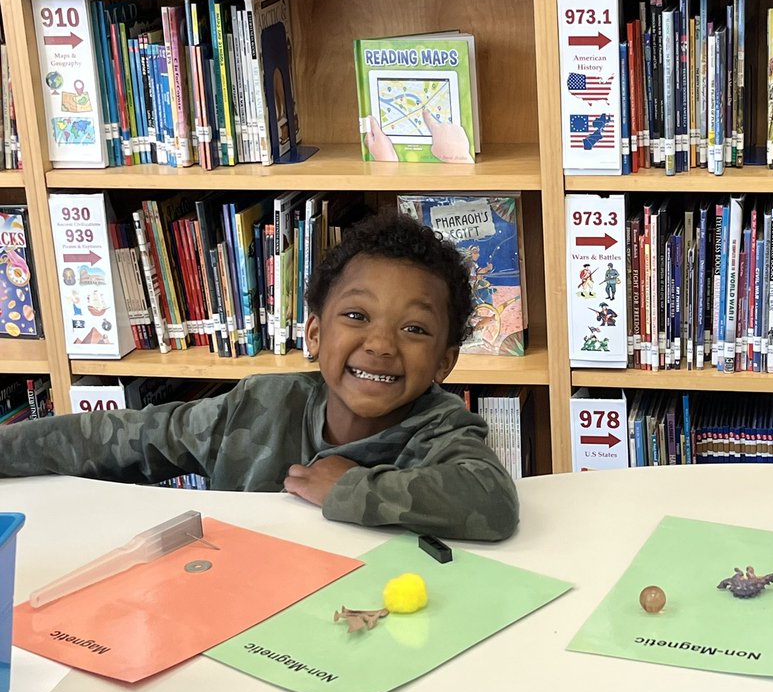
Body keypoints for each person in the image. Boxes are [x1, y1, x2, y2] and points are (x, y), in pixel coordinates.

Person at [0, 212, 520, 540]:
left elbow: (491, 501)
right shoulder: (260, 405)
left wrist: (351, 489)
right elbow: (125, 437)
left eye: (414, 329)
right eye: (356, 316)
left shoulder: (441, 428)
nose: (381, 344)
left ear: (445, 362)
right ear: (314, 334)